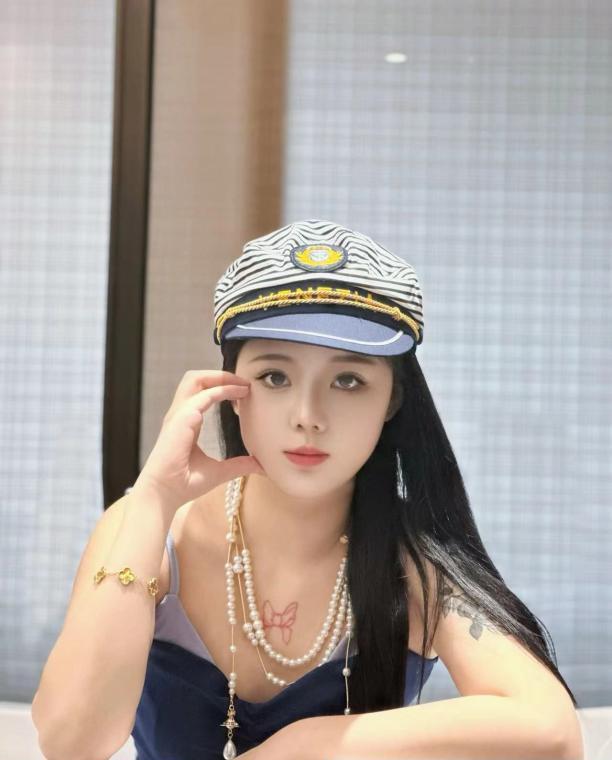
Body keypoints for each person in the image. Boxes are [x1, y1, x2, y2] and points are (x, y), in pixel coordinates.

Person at [32, 219, 582, 760]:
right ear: (229, 386)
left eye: (348, 380)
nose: (308, 415)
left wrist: (308, 745)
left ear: (392, 400)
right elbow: (71, 742)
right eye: (275, 377)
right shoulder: (151, 531)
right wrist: (153, 496)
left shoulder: (415, 563)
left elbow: (551, 733)